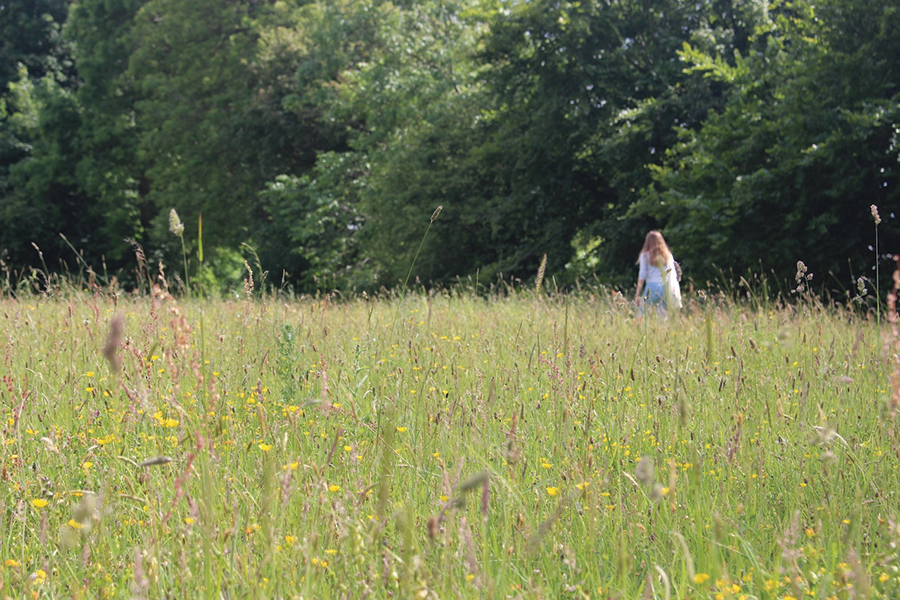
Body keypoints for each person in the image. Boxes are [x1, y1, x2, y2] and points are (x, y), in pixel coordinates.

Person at [634, 230, 676, 316]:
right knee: (663, 314)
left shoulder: (645, 256)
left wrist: (637, 293)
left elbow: (642, 275)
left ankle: (642, 329)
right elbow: (672, 273)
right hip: (666, 286)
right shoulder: (668, 255)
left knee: (643, 313)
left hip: (651, 286)